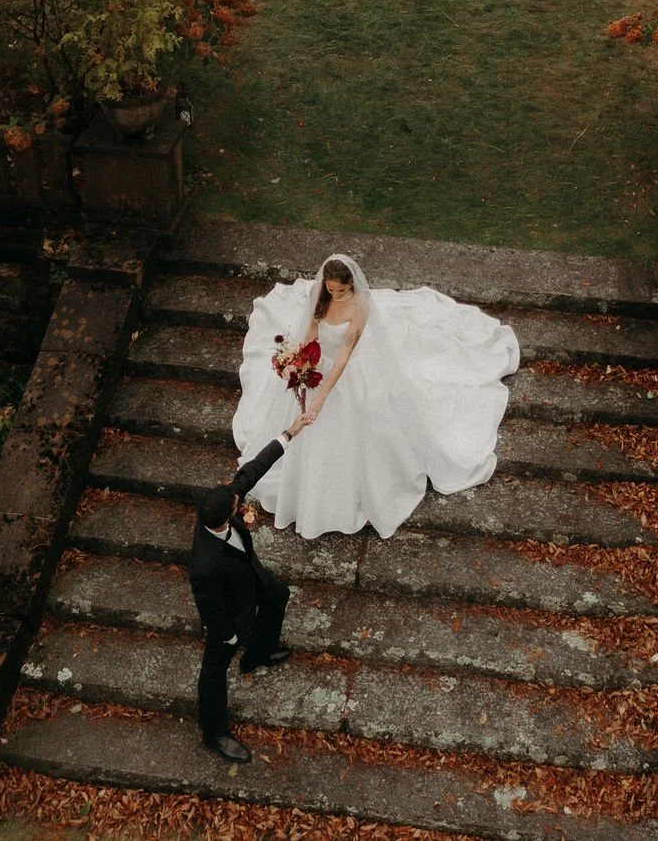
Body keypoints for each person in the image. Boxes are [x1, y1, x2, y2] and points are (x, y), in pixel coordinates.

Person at [231, 253, 520, 541]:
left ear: (351, 286)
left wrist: (322, 397)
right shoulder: (320, 296)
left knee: (349, 427)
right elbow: (311, 330)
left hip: (344, 376)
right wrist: (298, 360)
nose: (335, 294)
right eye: (331, 289)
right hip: (316, 367)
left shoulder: (360, 307)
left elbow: (344, 355)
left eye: (340, 290)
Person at [188, 416, 306, 761]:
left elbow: (253, 470)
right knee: (213, 671)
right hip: (228, 611)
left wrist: (288, 434)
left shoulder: (222, 502)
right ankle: (215, 733)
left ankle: (260, 652)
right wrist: (227, 635)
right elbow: (208, 604)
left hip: (247, 571)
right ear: (229, 515)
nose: (240, 499)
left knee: (278, 594)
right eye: (238, 502)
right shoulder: (203, 565)